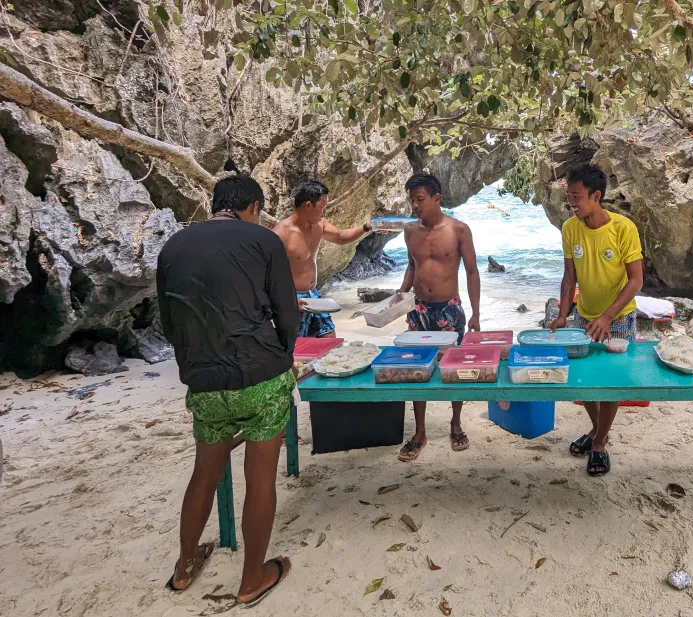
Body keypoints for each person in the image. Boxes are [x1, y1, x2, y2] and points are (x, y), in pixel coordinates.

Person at [157, 174, 299, 607]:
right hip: (260, 378)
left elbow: (168, 325)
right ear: (253, 207)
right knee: (259, 480)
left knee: (205, 471)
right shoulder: (263, 241)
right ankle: (252, 578)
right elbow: (287, 313)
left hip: (204, 382)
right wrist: (286, 356)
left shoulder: (172, 247)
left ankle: (183, 569)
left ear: (215, 203)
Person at [550, 163, 643, 477]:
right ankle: (596, 430)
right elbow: (569, 276)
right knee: (581, 380)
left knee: (610, 385)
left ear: (596, 196)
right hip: (583, 315)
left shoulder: (623, 228)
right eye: (569, 196)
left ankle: (600, 443)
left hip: (617, 318)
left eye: (577, 197)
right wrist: (563, 314)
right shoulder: (570, 228)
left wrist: (607, 316)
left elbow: (635, 281)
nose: (571, 202)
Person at [393, 173, 481, 462]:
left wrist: (476, 314)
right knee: (417, 371)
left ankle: (455, 423)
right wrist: (400, 292)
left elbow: (471, 272)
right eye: (412, 201)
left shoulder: (459, 230)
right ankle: (419, 432)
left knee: (454, 370)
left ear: (436, 198)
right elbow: (411, 266)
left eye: (420, 199)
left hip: (449, 309)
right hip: (418, 310)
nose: (415, 206)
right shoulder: (409, 231)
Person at [273, 180, 373, 338]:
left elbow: (341, 237)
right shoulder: (281, 233)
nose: (324, 212)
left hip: (314, 294)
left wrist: (367, 227)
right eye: (321, 207)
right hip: (293, 298)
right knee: (297, 347)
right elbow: (268, 273)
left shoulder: (319, 225)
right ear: (308, 205)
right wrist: (286, 301)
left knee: (329, 339)